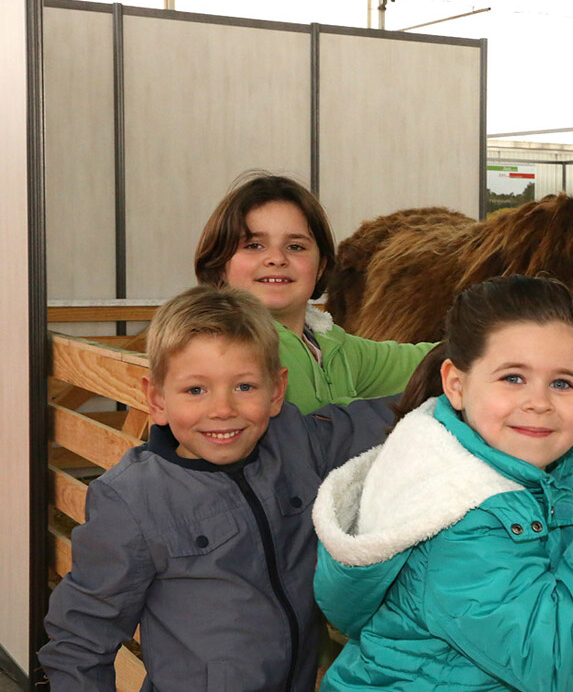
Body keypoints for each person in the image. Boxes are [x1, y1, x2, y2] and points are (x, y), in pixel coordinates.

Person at [313, 275, 573, 691]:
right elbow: (551, 660)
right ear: (456, 384)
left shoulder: (518, 471)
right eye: (513, 378)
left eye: (562, 383)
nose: (539, 402)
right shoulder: (458, 513)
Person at [39, 286, 396, 692]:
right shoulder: (133, 500)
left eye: (244, 387)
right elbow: (81, 638)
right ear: (156, 399)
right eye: (196, 390)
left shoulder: (295, 443)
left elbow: (381, 418)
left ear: (276, 391)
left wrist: (463, 384)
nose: (223, 409)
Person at [195, 172, 434, 415]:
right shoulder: (217, 346)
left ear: (320, 267)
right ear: (219, 264)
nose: (277, 258)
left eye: (295, 246)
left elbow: (429, 361)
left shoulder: (333, 345)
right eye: (254, 245)